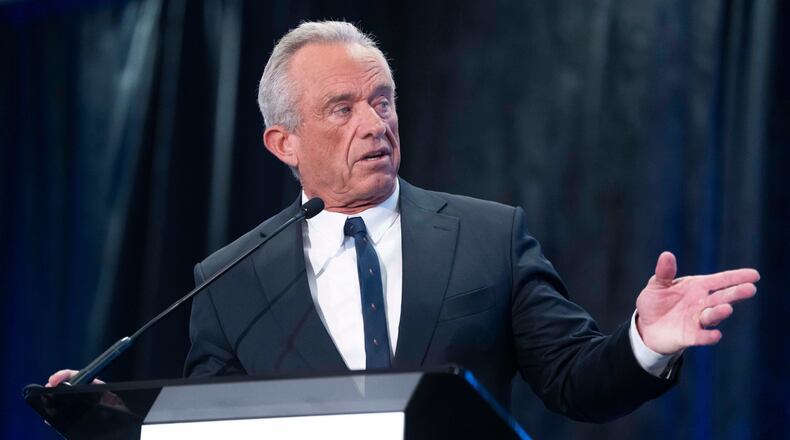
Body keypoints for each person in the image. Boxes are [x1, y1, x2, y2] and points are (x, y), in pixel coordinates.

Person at [48, 21, 759, 423]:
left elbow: (577, 382)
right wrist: (113, 419)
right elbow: (216, 429)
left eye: (382, 100)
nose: (374, 123)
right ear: (283, 142)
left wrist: (644, 342)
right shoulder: (231, 277)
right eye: (342, 108)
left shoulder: (489, 238)